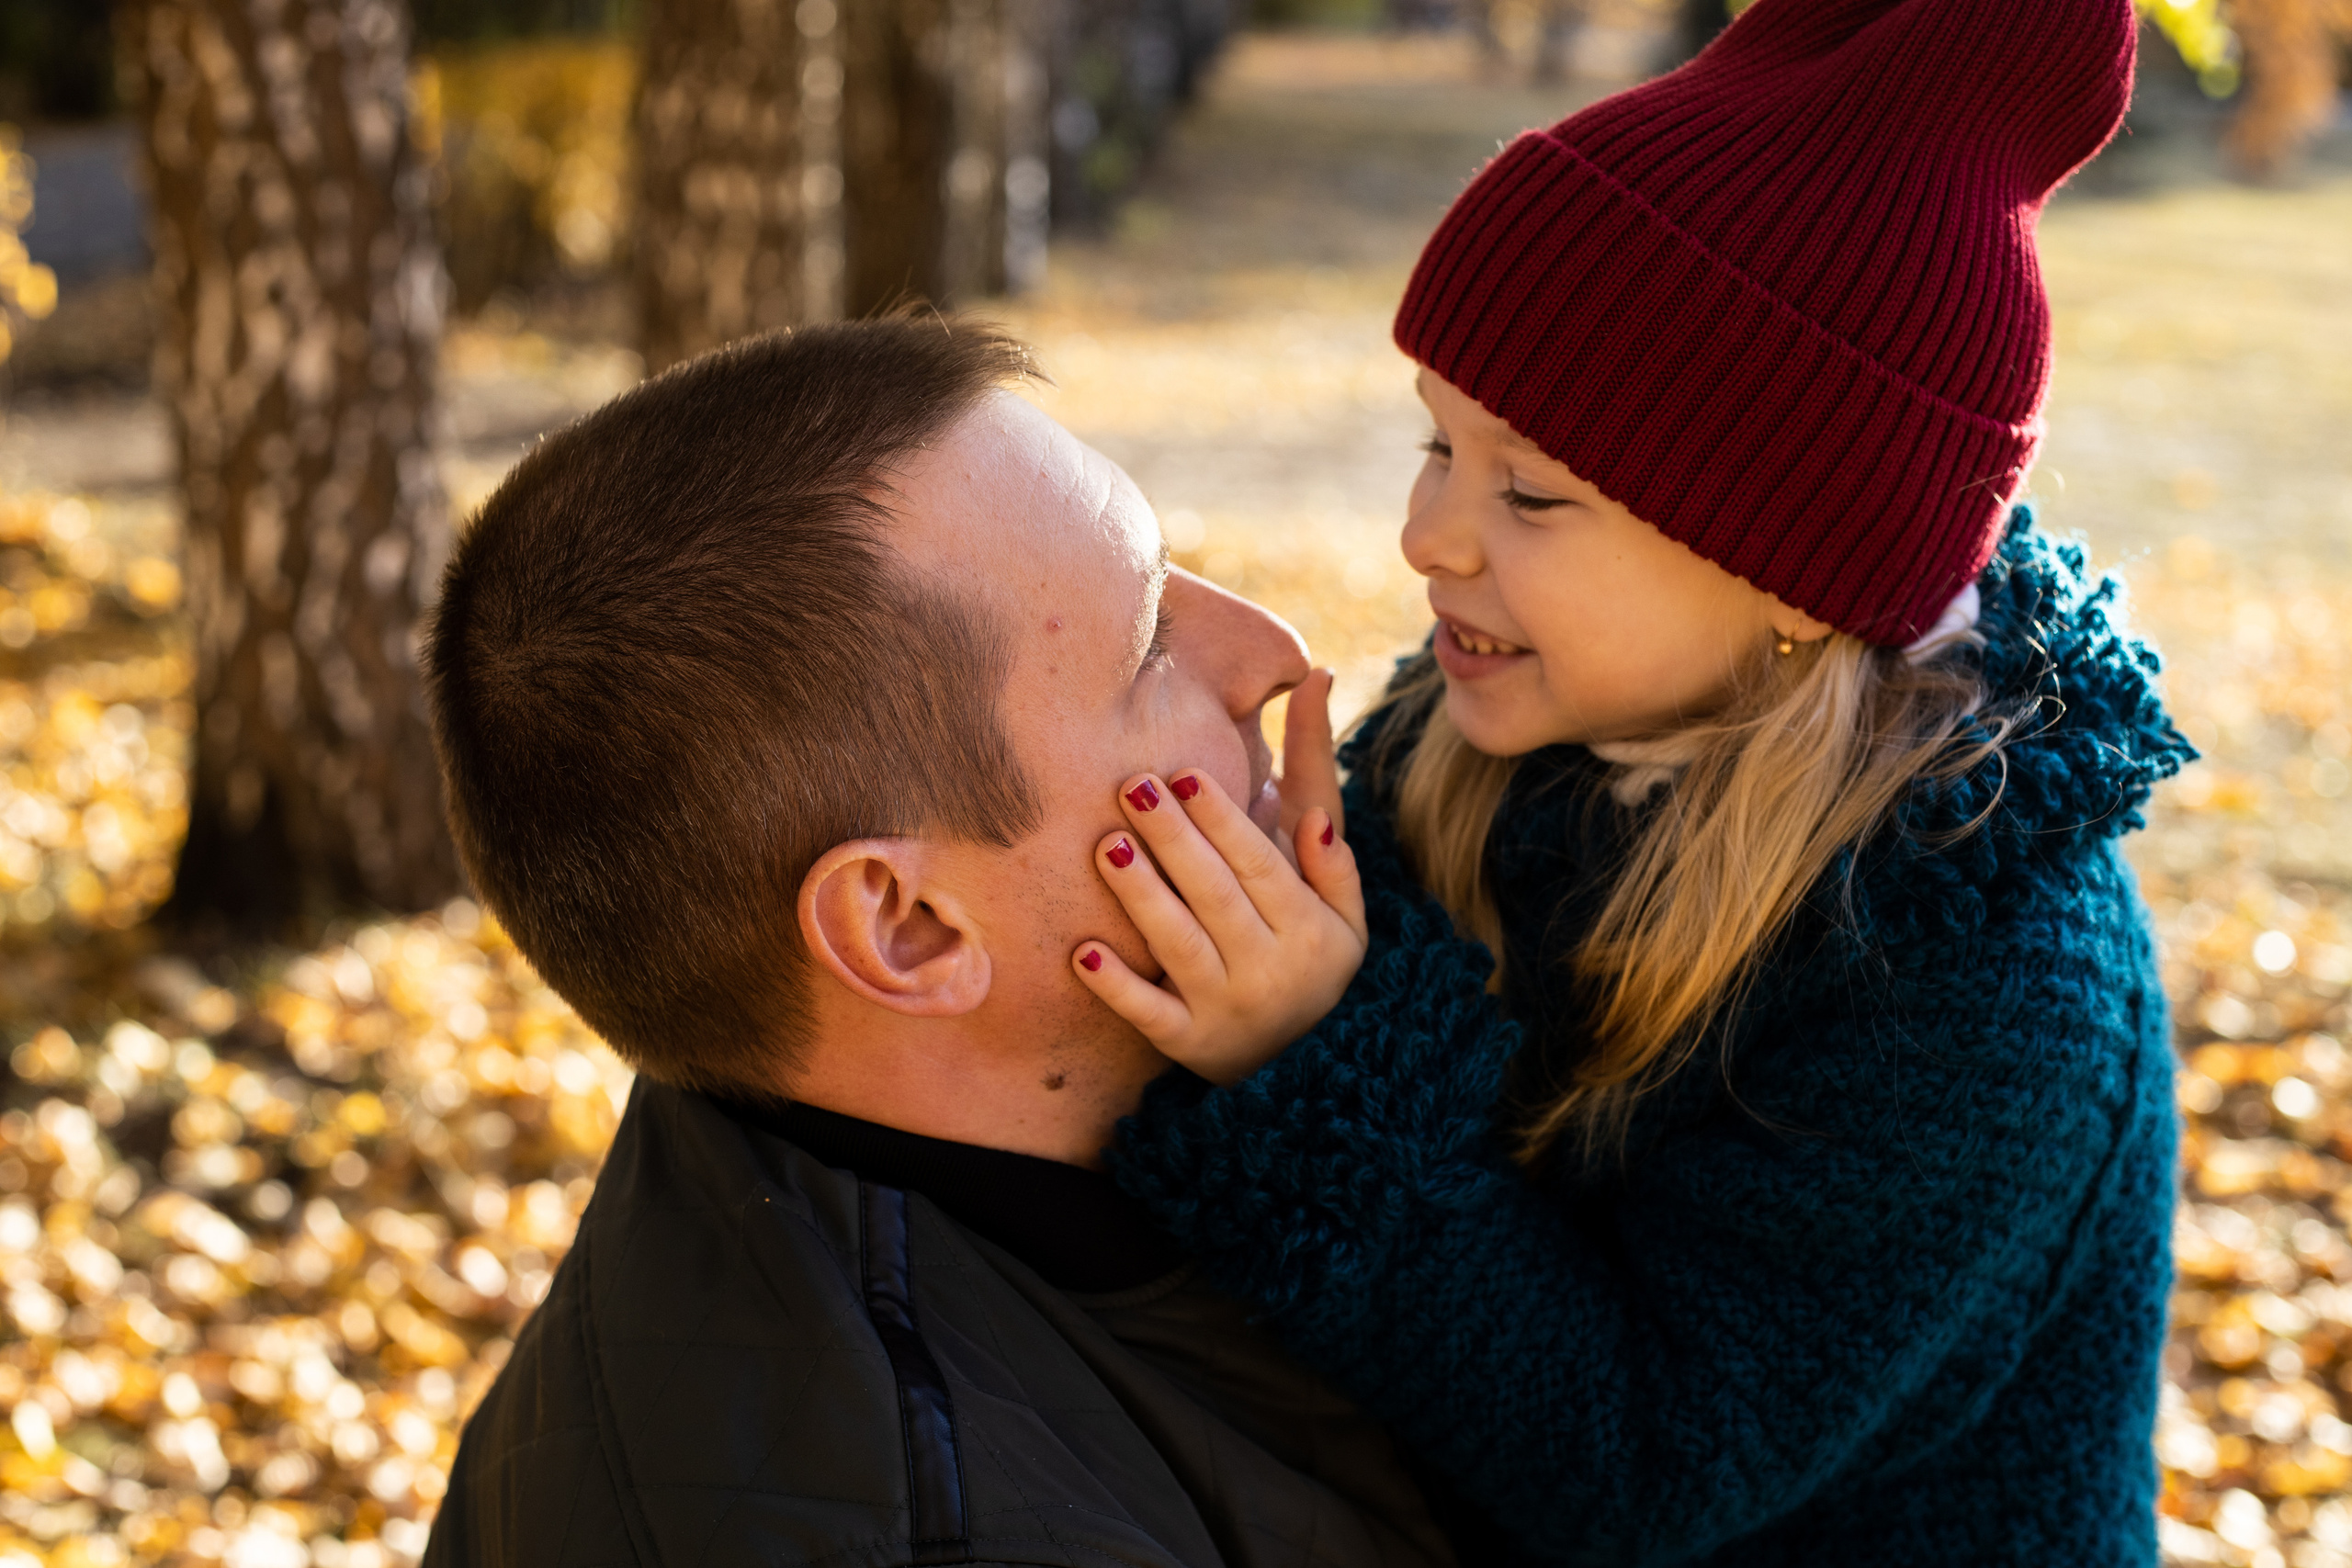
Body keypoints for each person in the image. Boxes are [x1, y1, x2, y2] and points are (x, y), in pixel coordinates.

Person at [1071, 0, 2195, 1562]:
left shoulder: (1986, 974)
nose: (1430, 537)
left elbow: (1642, 1466)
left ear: (1802, 573)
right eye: (1437, 445)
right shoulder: (1479, 750)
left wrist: (1308, 1060)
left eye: (1532, 489)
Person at [416, 317, 1445, 1568]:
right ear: (908, 930)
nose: (1274, 653)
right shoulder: (947, 1531)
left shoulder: (772, 1128)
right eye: (1148, 650)